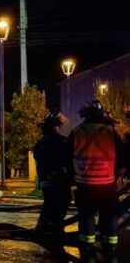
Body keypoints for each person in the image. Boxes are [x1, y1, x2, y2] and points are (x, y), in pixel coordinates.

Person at [68, 100, 125, 255]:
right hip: (107, 184)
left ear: (84, 114)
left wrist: (71, 177)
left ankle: (87, 246)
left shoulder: (76, 132)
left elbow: (66, 157)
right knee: (109, 214)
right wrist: (119, 173)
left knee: (86, 214)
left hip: (84, 184)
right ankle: (110, 244)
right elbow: (122, 155)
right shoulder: (110, 131)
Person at [33, 112, 71, 237]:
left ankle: (45, 227)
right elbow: (66, 159)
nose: (59, 128)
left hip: (45, 178)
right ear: (54, 126)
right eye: (58, 126)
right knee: (61, 202)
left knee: (50, 203)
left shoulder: (41, 143)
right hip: (57, 179)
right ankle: (53, 229)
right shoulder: (60, 141)